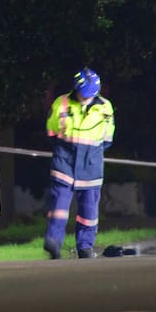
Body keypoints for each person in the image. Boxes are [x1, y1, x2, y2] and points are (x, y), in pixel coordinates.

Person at [44, 67, 116, 259]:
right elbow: (51, 131)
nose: (86, 98)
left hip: (91, 163)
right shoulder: (62, 103)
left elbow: (108, 138)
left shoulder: (105, 107)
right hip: (65, 161)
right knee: (59, 206)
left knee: (89, 210)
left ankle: (85, 247)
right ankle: (53, 243)